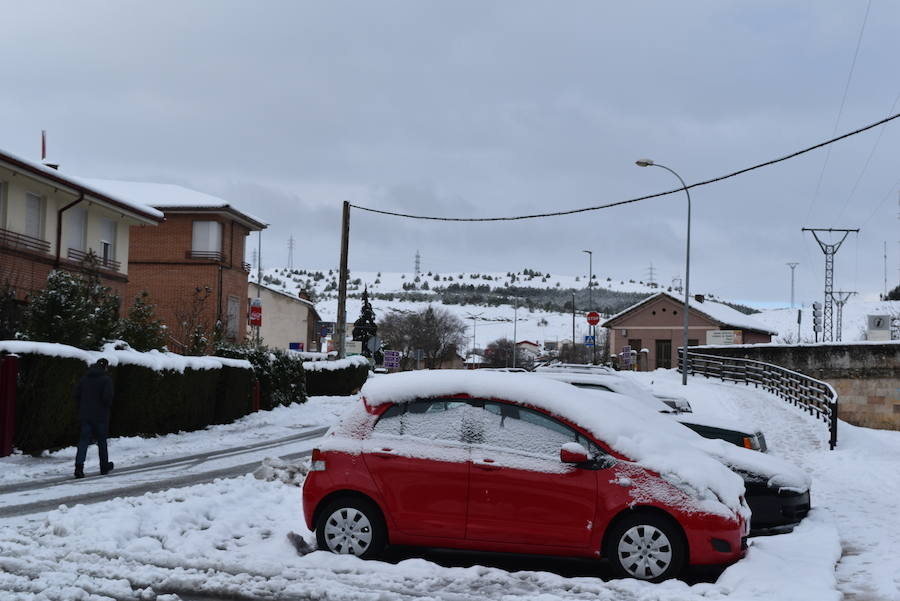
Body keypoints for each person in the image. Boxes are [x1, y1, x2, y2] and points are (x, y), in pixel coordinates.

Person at [74, 357, 114, 479]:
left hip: (85, 415)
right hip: (101, 416)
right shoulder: (106, 380)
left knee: (83, 441)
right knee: (102, 441)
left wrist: (82, 407)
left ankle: (79, 467)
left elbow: (76, 395)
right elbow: (107, 398)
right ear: (105, 367)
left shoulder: (84, 379)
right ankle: (103, 466)